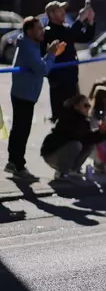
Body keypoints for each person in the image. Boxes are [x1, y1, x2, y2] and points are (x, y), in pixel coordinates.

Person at [5, 17, 65, 178]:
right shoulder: (29, 48)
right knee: (21, 130)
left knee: (21, 129)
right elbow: (43, 70)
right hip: (23, 94)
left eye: (42, 28)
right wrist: (51, 54)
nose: (42, 31)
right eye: (38, 29)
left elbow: (39, 65)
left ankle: (15, 162)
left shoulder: (31, 44)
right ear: (29, 31)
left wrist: (49, 55)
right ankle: (16, 163)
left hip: (26, 93)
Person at [43, 0, 95, 122]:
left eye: (63, 10)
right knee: (62, 116)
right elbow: (66, 38)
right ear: (51, 14)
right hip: (59, 81)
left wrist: (90, 21)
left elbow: (86, 37)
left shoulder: (65, 29)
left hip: (71, 78)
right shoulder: (49, 31)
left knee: (74, 114)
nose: (63, 12)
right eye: (59, 10)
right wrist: (80, 19)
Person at [40, 94, 106, 179]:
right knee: (76, 145)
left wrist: (101, 132)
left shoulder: (84, 121)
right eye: (85, 106)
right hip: (52, 153)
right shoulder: (67, 118)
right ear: (76, 106)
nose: (88, 108)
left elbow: (87, 138)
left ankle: (72, 170)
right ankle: (61, 172)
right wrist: (98, 133)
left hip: (63, 152)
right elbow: (77, 136)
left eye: (89, 106)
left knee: (89, 145)